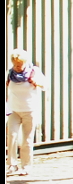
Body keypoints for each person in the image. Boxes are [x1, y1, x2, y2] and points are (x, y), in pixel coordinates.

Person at [7, 49, 48, 177]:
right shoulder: (10, 74)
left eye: (19, 65)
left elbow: (45, 86)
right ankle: (12, 164)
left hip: (29, 110)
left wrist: (36, 83)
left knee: (27, 140)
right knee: (11, 137)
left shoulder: (34, 72)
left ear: (25, 63)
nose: (17, 68)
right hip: (14, 109)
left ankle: (26, 166)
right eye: (15, 65)